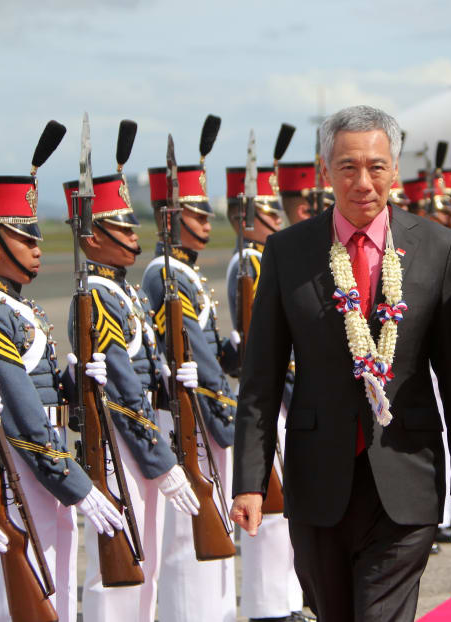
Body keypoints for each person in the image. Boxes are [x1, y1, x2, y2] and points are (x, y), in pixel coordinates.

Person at [231, 105, 451, 622]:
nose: (363, 181)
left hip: (408, 477)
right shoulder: (289, 252)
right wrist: (250, 483)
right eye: (348, 167)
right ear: (327, 173)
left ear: (394, 170)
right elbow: (261, 378)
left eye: (376, 166)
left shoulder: (437, 248)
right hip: (319, 480)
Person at [62, 129, 200, 622]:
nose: (136, 234)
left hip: (140, 436)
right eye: (121, 225)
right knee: (118, 562)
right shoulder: (98, 295)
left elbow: (140, 375)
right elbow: (121, 392)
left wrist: (169, 378)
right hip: (121, 442)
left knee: (146, 557)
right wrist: (159, 461)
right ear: (93, 236)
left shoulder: (124, 293)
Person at [0, 123, 124, 622]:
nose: (37, 246)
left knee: (57, 578)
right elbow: (24, 417)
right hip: (25, 467)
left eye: (35, 234)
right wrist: (73, 479)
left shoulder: (20, 310)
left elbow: (47, 397)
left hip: (45, 463)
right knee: (30, 587)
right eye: (23, 236)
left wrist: (79, 381)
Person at [142, 122, 238, 622]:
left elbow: (208, 350)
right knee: (188, 535)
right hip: (190, 417)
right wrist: (228, 418)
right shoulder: (164, 273)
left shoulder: (181, 272)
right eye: (196, 212)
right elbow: (193, 360)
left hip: (203, 412)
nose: (206, 220)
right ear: (172, 219)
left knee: (215, 517)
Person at [224, 165, 306, 622]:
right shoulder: (249, 262)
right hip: (271, 397)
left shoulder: (265, 256)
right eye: (265, 209)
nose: (276, 216)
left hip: (287, 394)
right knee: (267, 507)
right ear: (244, 217)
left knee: (284, 509)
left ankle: (287, 600)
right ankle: (267, 605)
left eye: (277, 207)